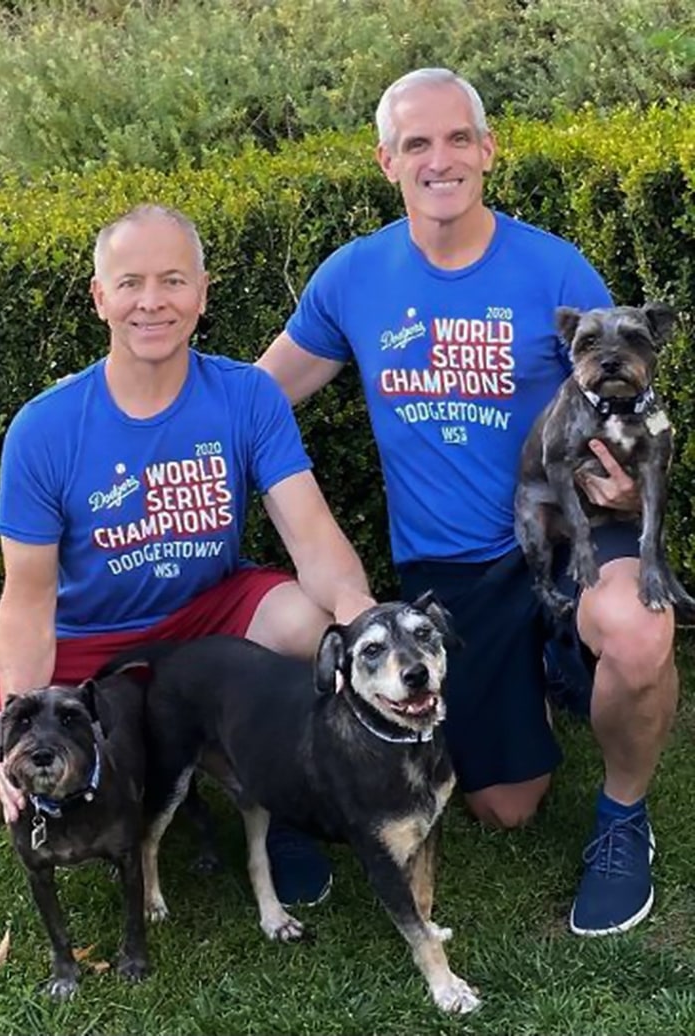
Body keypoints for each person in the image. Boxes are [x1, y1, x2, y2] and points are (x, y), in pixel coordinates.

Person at [257, 68, 678, 937]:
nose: (439, 159)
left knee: (638, 630)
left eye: (457, 139)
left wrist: (630, 488)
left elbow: (620, 391)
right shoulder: (354, 278)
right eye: (417, 143)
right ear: (386, 161)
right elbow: (260, 399)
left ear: (487, 150)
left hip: (571, 532)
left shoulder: (554, 266)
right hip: (454, 568)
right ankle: (555, 672)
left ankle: (623, 818)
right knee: (507, 808)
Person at [0, 204, 374, 908]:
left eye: (173, 280)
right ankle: (106, 800)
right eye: (131, 282)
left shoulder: (247, 396)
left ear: (202, 294)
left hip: (207, 616)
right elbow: (28, 597)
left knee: (310, 626)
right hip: (89, 642)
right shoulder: (44, 428)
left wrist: (358, 617)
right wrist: (24, 721)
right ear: (99, 297)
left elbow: (313, 537)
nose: (152, 301)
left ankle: (283, 794)